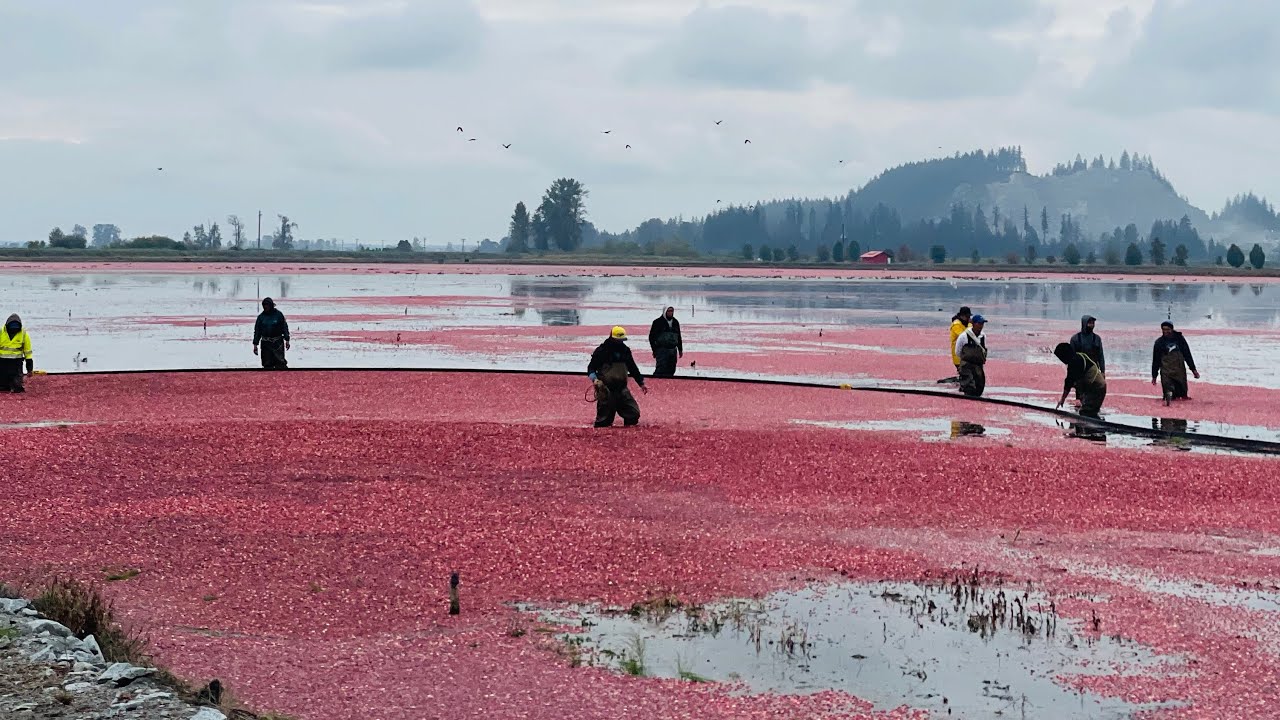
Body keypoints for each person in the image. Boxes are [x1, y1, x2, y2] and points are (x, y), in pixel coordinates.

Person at [587, 326, 649, 428]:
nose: (620, 342)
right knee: (603, 422)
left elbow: (633, 368)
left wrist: (641, 383)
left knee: (633, 414)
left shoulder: (625, 351)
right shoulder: (602, 351)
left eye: (622, 340)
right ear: (612, 338)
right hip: (606, 390)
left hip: (622, 389)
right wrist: (595, 380)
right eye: (618, 340)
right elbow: (591, 368)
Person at [1055, 343, 1107, 418]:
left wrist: (1062, 399)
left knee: (1086, 412)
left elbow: (1069, 383)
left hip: (1096, 388)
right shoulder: (1078, 356)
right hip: (1093, 388)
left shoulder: (1074, 362)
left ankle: (1095, 428)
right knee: (1088, 411)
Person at [1152, 321, 1199, 402]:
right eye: (1164, 329)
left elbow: (1187, 354)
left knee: (1182, 396)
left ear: (1172, 329)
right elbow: (1156, 360)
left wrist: (1193, 370)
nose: (1166, 331)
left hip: (1179, 371)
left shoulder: (1179, 339)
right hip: (1166, 372)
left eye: (1168, 329)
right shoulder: (1159, 343)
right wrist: (1154, 376)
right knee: (1168, 395)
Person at [954, 314, 987, 397]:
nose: (981, 326)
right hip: (966, 365)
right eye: (979, 323)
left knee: (980, 387)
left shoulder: (983, 336)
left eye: (982, 324)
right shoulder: (963, 336)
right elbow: (957, 351)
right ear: (973, 324)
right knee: (969, 387)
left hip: (978, 366)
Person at [253, 297, 291, 369]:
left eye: (267, 305)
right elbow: (257, 332)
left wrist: (287, 340)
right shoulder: (261, 317)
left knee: (280, 364)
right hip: (266, 343)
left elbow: (284, 328)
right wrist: (255, 344)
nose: (265, 307)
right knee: (267, 365)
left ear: (271, 305)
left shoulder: (279, 315)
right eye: (264, 305)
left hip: (277, 343)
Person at [0, 314, 34, 394]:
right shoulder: (1, 332)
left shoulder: (24, 334)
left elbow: (28, 352)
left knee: (17, 388)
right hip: (2, 362)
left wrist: (29, 369)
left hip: (16, 363)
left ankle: (15, 385)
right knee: (2, 387)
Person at [648, 306, 683, 377]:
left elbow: (678, 336)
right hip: (661, 350)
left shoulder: (675, 322)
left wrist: (680, 349)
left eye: (672, 311)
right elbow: (651, 337)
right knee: (660, 369)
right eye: (669, 311)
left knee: (672, 369)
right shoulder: (657, 322)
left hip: (673, 350)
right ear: (665, 311)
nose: (670, 313)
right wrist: (654, 350)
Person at [948, 306, 972, 378]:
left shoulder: (967, 323)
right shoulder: (956, 325)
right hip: (958, 355)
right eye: (967, 317)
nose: (968, 318)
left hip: (966, 354)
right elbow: (964, 336)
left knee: (967, 373)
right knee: (964, 373)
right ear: (962, 316)